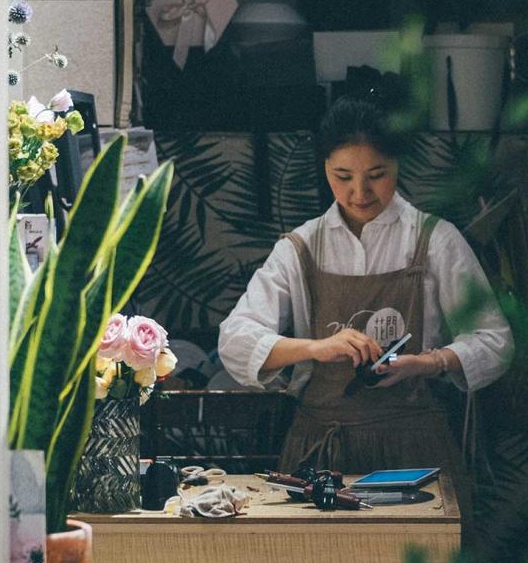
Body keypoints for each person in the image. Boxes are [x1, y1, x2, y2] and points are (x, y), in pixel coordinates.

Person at [218, 97, 513, 501]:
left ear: (398, 165)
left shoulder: (434, 240)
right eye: (343, 176)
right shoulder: (301, 247)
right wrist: (316, 348)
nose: (359, 192)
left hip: (414, 450)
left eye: (377, 174)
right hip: (319, 451)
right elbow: (234, 338)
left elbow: (495, 340)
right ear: (324, 168)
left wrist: (426, 363)